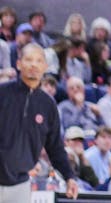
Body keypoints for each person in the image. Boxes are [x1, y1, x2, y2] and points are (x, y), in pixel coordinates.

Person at [0, 43, 80, 200]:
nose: (33, 65)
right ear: (18, 63)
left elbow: (55, 146)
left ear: (45, 66)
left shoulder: (48, 105)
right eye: (28, 59)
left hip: (20, 185)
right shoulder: (2, 94)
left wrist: (69, 176)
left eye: (38, 60)